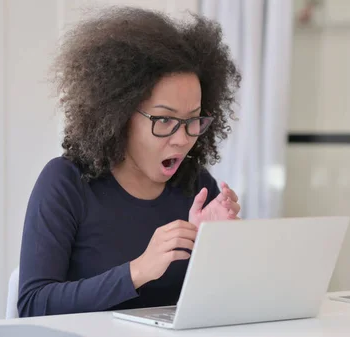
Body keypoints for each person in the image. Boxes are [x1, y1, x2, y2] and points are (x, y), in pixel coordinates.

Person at [17, 6, 242, 317]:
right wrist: (137, 270)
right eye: (164, 119)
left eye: (194, 120)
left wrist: (222, 250)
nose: (182, 138)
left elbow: (221, 305)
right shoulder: (66, 182)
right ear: (119, 116)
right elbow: (33, 304)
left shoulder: (198, 186)